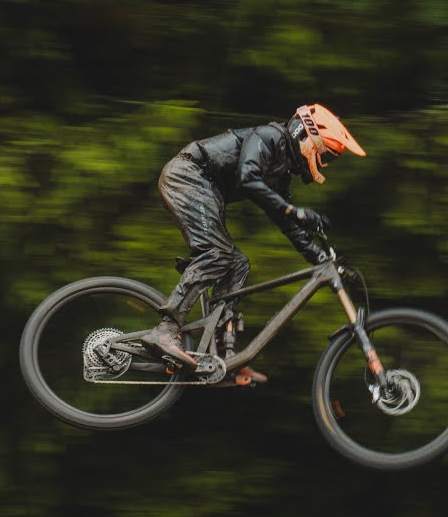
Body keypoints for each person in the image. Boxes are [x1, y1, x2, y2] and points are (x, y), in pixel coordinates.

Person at [138, 103, 366, 380]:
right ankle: (165, 330)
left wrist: (322, 258)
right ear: (308, 137)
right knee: (219, 253)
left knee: (238, 264)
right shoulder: (270, 137)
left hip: (206, 188)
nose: (326, 162)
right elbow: (249, 179)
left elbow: (289, 226)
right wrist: (294, 211)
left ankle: (222, 356)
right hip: (187, 176)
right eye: (327, 154)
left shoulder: (280, 172)